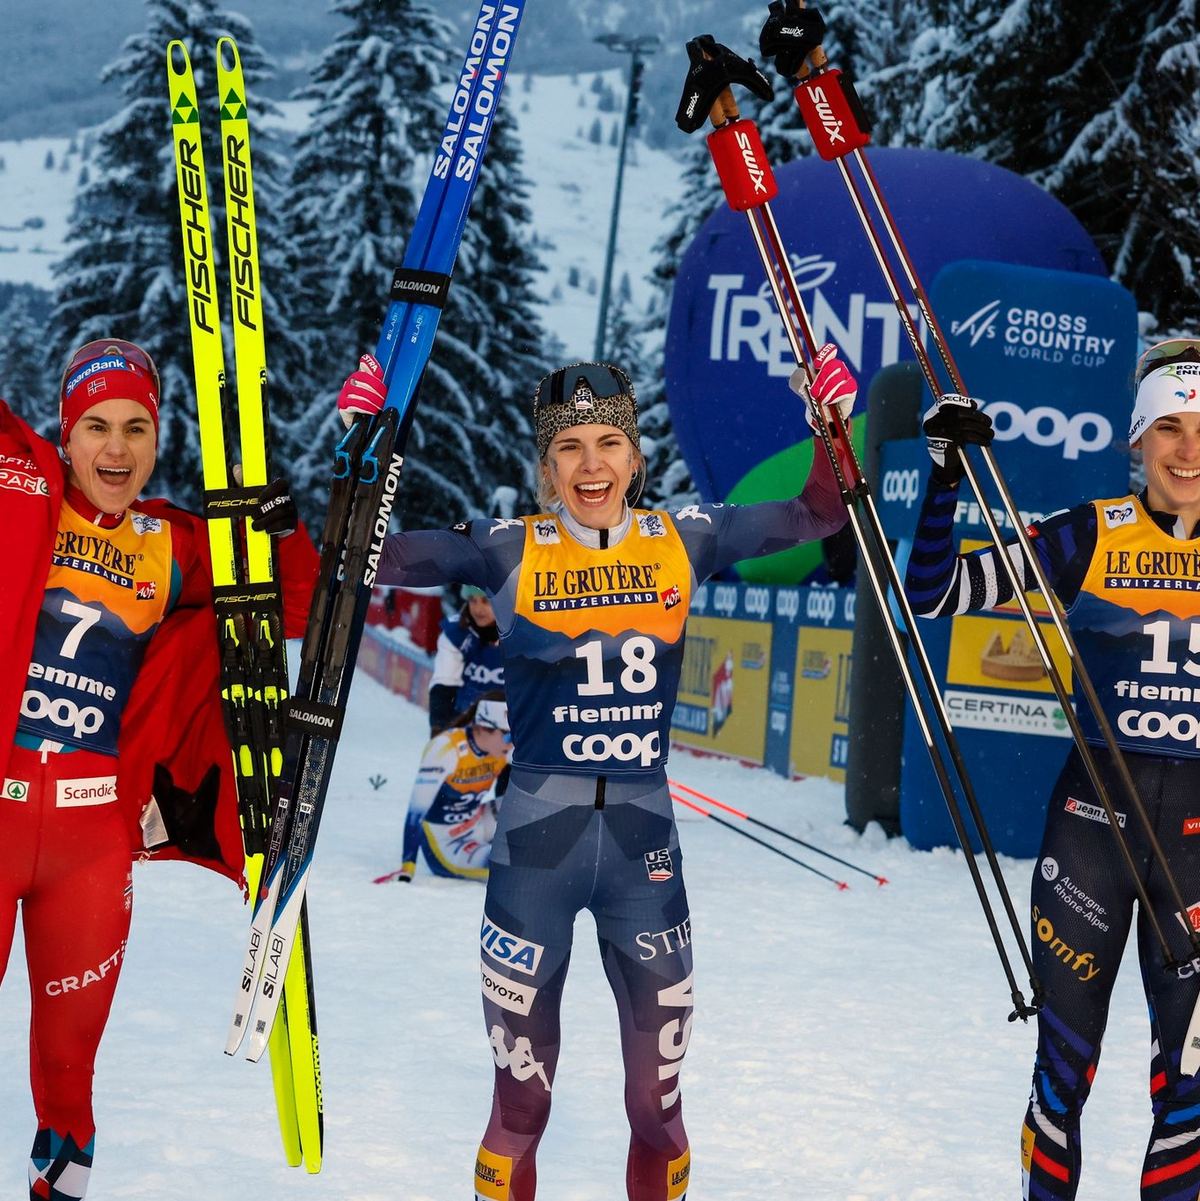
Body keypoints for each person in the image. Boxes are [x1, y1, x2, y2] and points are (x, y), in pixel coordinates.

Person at [337, 346, 855, 1200]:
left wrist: (830, 427)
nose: (591, 465)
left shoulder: (684, 537)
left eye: (608, 444)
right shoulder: (508, 549)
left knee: (657, 1108)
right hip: (535, 853)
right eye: (569, 447)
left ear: (636, 458)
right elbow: (371, 558)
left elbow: (818, 514)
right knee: (519, 1111)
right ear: (546, 467)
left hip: (644, 857)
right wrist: (360, 458)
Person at [0, 339, 317, 1200]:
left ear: (157, 436)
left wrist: (277, 528)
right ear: (64, 436)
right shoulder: (16, 493)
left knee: (69, 1076)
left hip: (93, 840)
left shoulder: (171, 543)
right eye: (95, 426)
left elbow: (289, 605)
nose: (115, 448)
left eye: (136, 427)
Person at [903, 341, 1200, 1201]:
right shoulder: (1089, 532)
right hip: (1091, 838)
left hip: (1193, 849)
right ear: (1137, 441)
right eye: (1169, 428)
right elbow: (935, 590)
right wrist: (948, 473)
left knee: (1187, 1093)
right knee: (1062, 1078)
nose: (1187, 451)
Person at [382, 692, 512, 883]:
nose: (512, 742)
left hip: (477, 821)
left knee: (531, 809)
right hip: (448, 842)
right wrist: (407, 867)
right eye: (507, 735)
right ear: (484, 729)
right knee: (511, 866)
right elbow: (415, 813)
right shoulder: (446, 749)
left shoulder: (500, 747)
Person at [428, 585, 504, 734]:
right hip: (466, 719)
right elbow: (444, 683)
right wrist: (441, 729)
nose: (478, 609)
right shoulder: (457, 633)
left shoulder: (522, 633)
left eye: (485, 601)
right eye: (472, 600)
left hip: (513, 722)